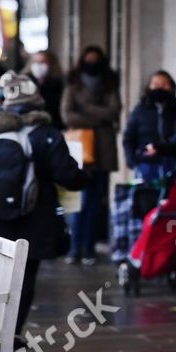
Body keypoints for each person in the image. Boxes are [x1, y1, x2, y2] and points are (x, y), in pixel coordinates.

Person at [0, 71, 91, 334]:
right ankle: (12, 333)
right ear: (37, 102)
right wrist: (86, 177)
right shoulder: (46, 134)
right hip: (35, 219)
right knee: (24, 277)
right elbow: (68, 176)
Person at [60, 45, 122, 265]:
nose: (92, 62)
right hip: (81, 148)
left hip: (103, 149)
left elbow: (114, 111)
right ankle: (75, 247)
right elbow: (68, 115)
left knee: (96, 203)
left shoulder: (110, 83)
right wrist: (99, 116)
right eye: (89, 58)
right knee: (79, 202)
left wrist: (85, 110)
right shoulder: (73, 84)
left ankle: (89, 248)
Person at [122, 70, 176, 182]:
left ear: (171, 87)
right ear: (149, 87)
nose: (160, 88)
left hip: (171, 162)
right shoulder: (139, 110)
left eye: (164, 84)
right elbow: (128, 137)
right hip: (146, 163)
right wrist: (132, 160)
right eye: (156, 84)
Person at [24, 50, 65, 130]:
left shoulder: (59, 83)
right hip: (29, 126)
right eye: (36, 62)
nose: (39, 66)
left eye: (42, 62)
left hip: (54, 126)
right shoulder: (24, 81)